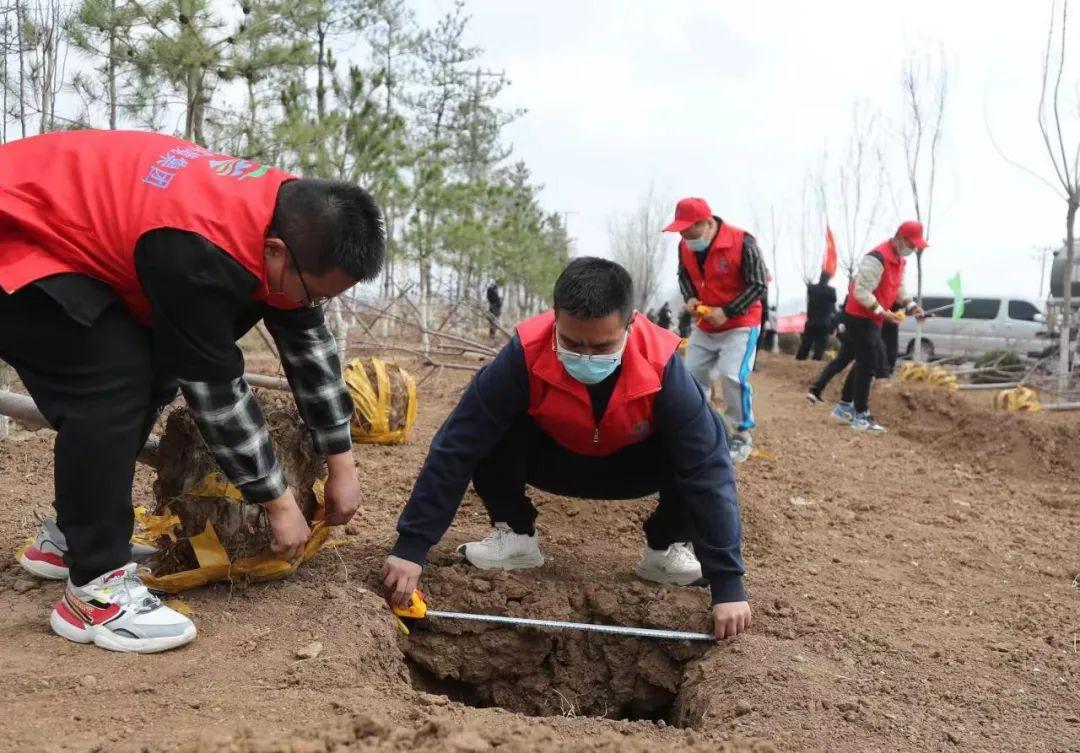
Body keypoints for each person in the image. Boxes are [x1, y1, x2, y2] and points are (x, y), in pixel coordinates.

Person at [0, 130, 384, 653]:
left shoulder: (290, 221)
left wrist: (343, 465)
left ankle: (70, 539)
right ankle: (94, 593)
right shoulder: (198, 251)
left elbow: (308, 345)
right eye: (313, 291)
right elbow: (214, 388)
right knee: (111, 380)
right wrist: (277, 503)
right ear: (275, 252)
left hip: (74, 235)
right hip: (17, 230)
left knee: (155, 366)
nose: (309, 303)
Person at [381, 258, 751, 641]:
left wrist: (727, 584)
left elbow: (709, 469)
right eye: (572, 343)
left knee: (708, 435)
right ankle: (515, 536)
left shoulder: (662, 366)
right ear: (555, 317)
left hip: (634, 468)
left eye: (603, 345)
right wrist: (412, 546)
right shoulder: (525, 353)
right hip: (552, 461)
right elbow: (456, 446)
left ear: (631, 323)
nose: (587, 356)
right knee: (485, 426)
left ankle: (666, 548)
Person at [665, 197, 768, 463]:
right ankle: (698, 427)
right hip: (706, 323)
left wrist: (728, 311)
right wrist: (689, 298)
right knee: (691, 374)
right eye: (682, 231)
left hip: (740, 324)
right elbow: (684, 276)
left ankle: (741, 433)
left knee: (731, 375)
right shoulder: (684, 247)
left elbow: (758, 284)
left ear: (708, 223)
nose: (686, 236)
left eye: (691, 230)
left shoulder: (743, 242)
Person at [810, 222, 926, 433]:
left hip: (873, 318)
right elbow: (861, 291)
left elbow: (899, 287)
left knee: (863, 361)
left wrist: (911, 306)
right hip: (860, 316)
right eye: (911, 244)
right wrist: (883, 311)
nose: (913, 249)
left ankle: (843, 407)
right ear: (899, 238)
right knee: (868, 363)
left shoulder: (899, 261)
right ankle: (860, 415)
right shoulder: (877, 258)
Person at [796, 271, 837, 361]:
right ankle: (816, 360)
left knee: (806, 343)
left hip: (812, 320)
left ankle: (800, 359)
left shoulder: (811, 288)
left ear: (820, 277)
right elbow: (833, 304)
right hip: (824, 322)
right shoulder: (831, 291)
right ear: (828, 279)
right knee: (820, 345)